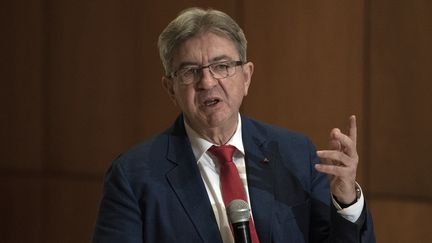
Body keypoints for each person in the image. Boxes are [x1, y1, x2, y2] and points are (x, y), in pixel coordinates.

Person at [92, 7, 375, 243]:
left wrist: (346, 199)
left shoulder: (294, 153)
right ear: (170, 89)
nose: (207, 82)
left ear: (246, 76)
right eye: (190, 71)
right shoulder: (133, 176)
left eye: (222, 66)